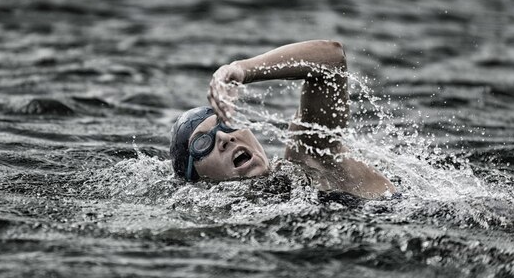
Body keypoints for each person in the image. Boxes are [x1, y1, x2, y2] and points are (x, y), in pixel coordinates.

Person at [169, 40, 395, 199]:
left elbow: (332, 59)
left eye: (227, 124)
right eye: (202, 143)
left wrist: (240, 70)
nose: (224, 138)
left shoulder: (310, 155)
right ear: (197, 180)